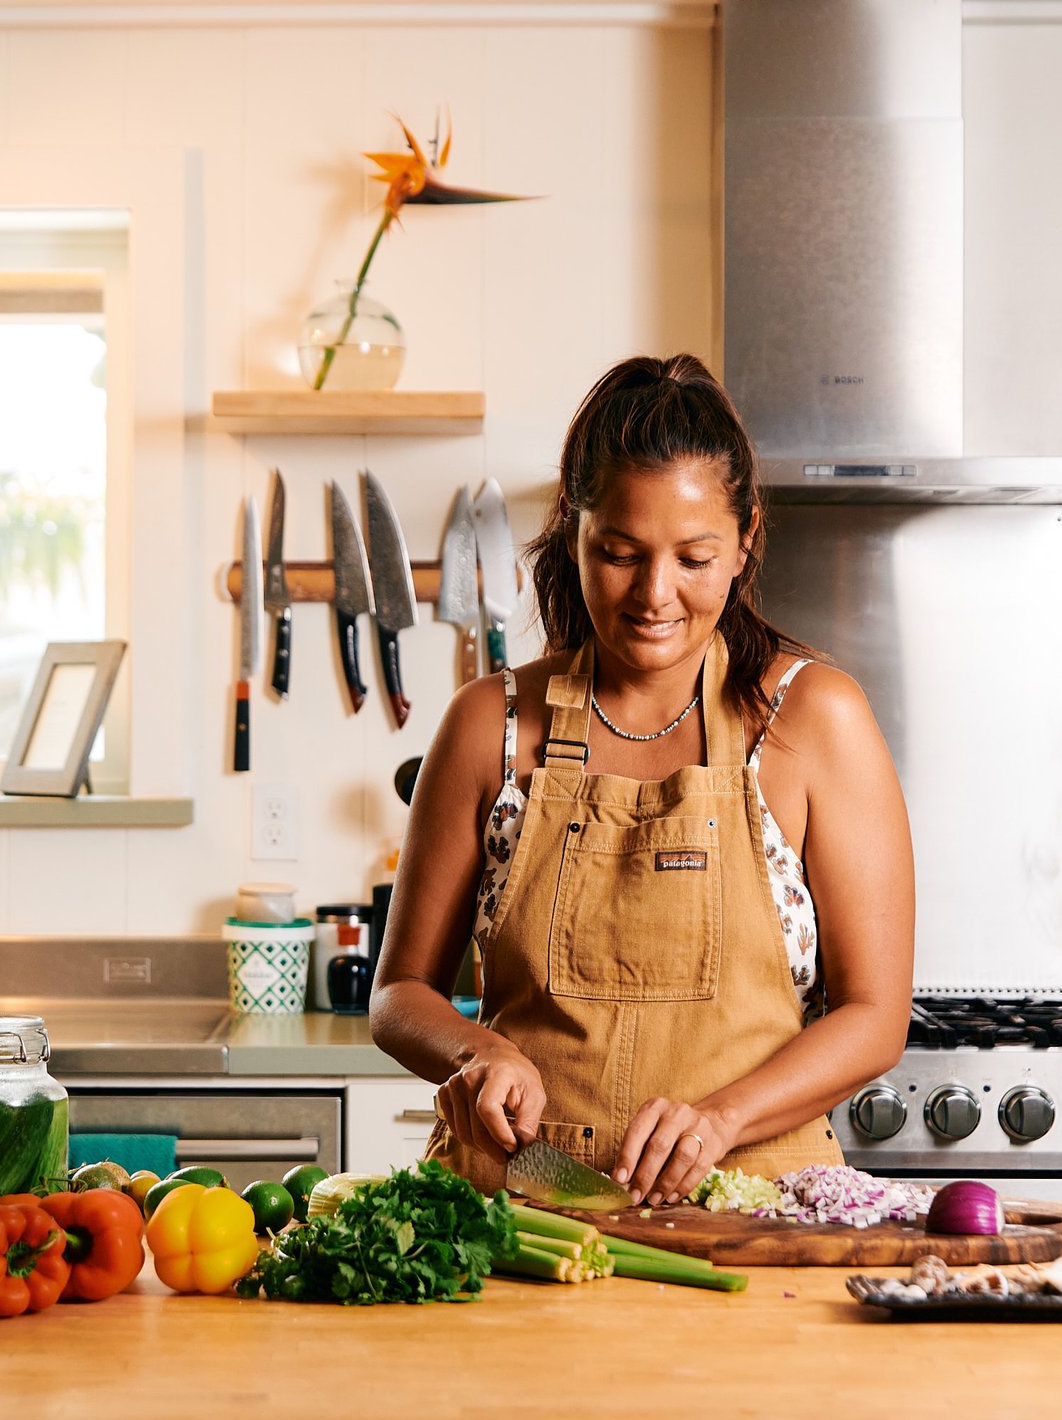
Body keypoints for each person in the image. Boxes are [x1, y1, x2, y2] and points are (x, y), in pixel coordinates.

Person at [372, 354, 913, 1207]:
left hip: (750, 1202)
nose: (656, 595)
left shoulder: (814, 721)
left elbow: (876, 1014)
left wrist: (723, 1119)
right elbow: (400, 993)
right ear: (574, 534)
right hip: (521, 1201)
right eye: (620, 553)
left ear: (745, 541)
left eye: (693, 558)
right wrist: (481, 1054)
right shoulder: (490, 724)